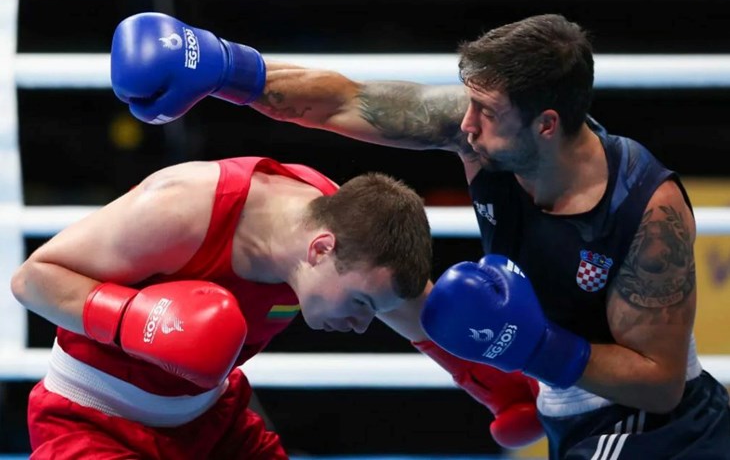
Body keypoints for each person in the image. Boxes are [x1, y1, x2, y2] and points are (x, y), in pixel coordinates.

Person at [109, 11, 730, 458]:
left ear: (545, 124)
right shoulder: (478, 134)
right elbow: (342, 102)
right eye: (469, 101)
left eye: (486, 112)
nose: (464, 122)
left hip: (659, 429)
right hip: (573, 417)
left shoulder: (647, 210)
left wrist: (536, 349)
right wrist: (226, 68)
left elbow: (662, 380)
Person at [12, 154, 542, 458]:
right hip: (91, 418)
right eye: (359, 303)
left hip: (211, 423)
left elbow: (414, 311)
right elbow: (33, 278)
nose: (362, 325)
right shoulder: (181, 209)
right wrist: (137, 321)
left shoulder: (347, 235)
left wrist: (499, 382)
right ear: (319, 249)